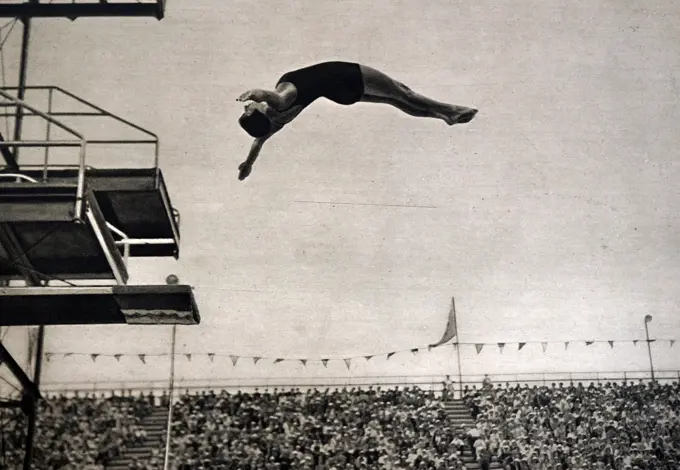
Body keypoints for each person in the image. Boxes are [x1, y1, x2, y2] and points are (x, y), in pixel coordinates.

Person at [236, 61, 478, 180]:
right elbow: (270, 95)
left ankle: (442, 116)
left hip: (341, 94)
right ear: (257, 112)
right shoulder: (280, 102)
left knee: (394, 101)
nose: (248, 106)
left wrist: (248, 164)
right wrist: (253, 93)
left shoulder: (274, 125)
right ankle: (450, 110)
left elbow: (258, 142)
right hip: (344, 76)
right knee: (402, 92)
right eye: (249, 109)